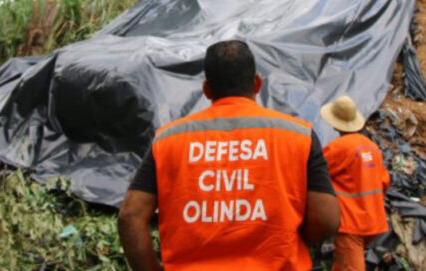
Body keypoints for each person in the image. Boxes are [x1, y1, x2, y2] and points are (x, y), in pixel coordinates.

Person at [118, 40, 340, 270]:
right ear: (257, 83)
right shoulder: (297, 134)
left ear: (206, 90)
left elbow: (130, 216)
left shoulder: (168, 140)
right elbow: (327, 219)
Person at [321, 96, 390, 271]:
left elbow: (317, 174)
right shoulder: (371, 147)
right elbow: (384, 181)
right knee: (343, 264)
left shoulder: (338, 148)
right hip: (373, 222)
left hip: (351, 223)